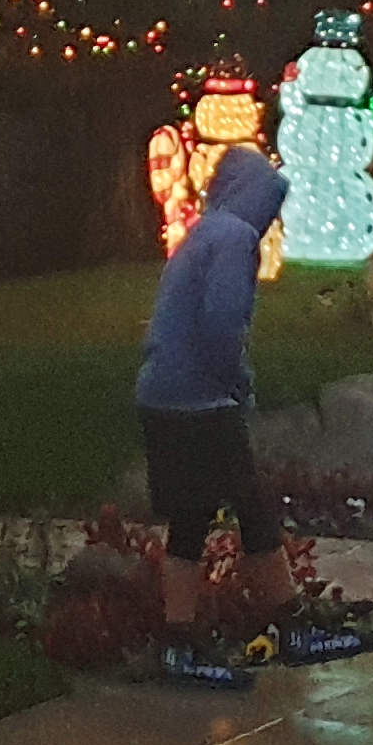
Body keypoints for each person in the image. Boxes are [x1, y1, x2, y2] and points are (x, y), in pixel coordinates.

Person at [133, 146, 298, 651]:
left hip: (162, 394)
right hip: (203, 400)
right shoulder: (235, 239)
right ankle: (289, 620)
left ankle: (179, 630)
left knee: (190, 514)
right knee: (252, 507)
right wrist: (237, 383)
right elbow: (224, 324)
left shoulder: (202, 234)